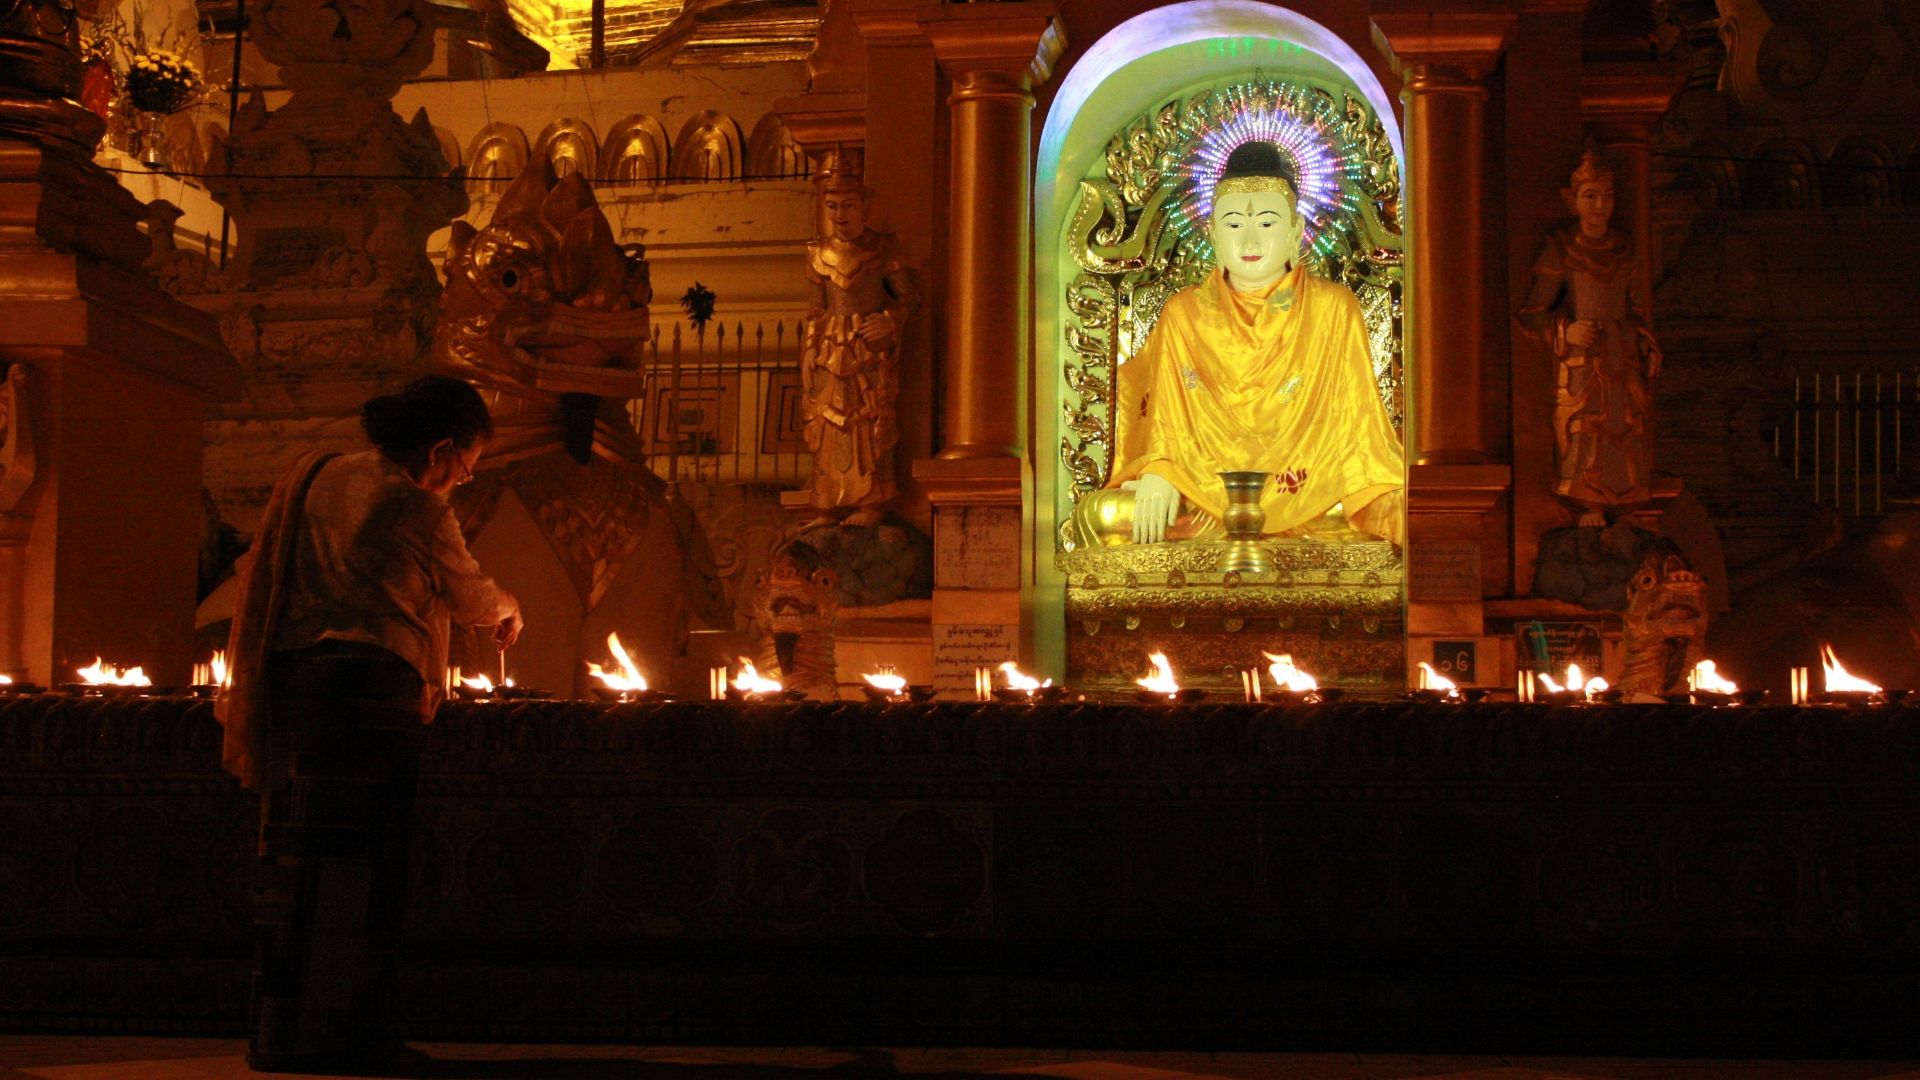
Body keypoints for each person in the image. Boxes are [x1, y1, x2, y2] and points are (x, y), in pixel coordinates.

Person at [219, 375, 522, 1074]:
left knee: (294, 861)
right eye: (466, 468)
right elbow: (469, 591)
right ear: (441, 449)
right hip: (370, 695)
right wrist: (507, 606)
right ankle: (349, 1034)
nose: (460, 482)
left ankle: (279, 1030)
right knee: (364, 866)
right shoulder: (414, 504)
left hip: (297, 683)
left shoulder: (318, 474)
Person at [1065, 140, 1405, 549]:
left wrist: (1358, 491)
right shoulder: (1184, 313)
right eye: (1232, 224)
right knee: (1100, 516)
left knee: (1390, 513)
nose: (1248, 242)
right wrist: (1160, 470)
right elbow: (1166, 424)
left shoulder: (1333, 307)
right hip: (1203, 497)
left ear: (1295, 231)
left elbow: (1360, 434)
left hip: (1313, 493)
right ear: (1211, 232)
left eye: (1266, 223)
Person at [1516, 143, 1662, 524]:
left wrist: (1645, 342)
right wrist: (1566, 330)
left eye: (1607, 197)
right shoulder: (1562, 248)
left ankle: (1626, 499)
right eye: (1590, 196)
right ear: (1572, 200)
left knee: (1627, 427)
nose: (1600, 207)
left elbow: (1639, 309)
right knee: (1584, 429)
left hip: (1622, 353)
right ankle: (1588, 503)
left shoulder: (1626, 250)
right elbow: (1532, 314)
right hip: (1583, 357)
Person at [800, 164, 915, 526]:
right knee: (828, 426)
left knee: (869, 422)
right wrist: (808, 351)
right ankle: (826, 503)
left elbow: (910, 300)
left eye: (848, 205)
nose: (840, 215)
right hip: (829, 351)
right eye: (832, 206)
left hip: (868, 350)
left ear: (864, 207)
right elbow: (815, 310)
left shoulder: (883, 249)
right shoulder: (817, 253)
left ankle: (872, 501)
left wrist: (890, 321)